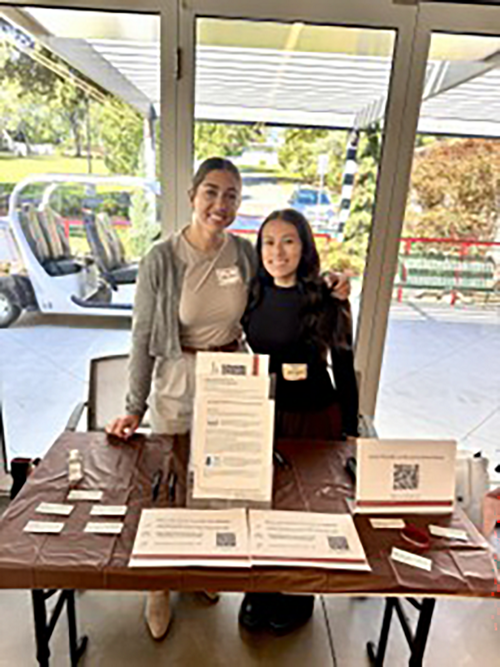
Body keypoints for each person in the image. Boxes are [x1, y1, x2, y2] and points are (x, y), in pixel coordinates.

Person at [106, 157, 350, 641]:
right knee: (170, 485)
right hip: (178, 377)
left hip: (233, 377)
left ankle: (198, 573)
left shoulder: (243, 253)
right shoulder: (162, 258)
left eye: (232, 195)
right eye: (212, 192)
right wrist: (134, 405)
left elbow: (289, 282)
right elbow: (140, 337)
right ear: (194, 195)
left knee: (217, 485)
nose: (221, 204)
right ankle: (158, 586)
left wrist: (333, 283)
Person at [238, 208, 359, 635]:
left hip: (314, 416)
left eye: (288, 240)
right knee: (265, 504)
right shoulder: (252, 293)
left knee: (307, 509)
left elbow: (344, 365)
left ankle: (299, 590)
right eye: (268, 241)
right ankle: (262, 587)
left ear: (305, 246)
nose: (277, 250)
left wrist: (350, 430)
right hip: (266, 415)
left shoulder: (327, 297)